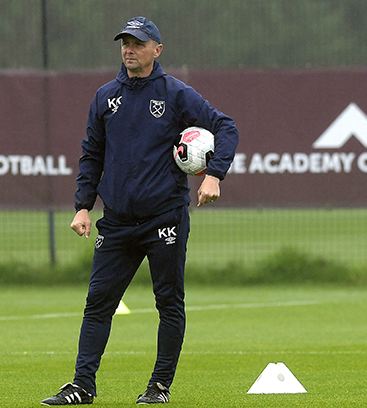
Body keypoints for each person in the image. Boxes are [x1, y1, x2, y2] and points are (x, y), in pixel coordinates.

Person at [41, 16, 239, 405]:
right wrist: (83, 207)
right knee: (98, 303)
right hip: (115, 222)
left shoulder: (176, 94)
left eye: (137, 43)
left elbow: (225, 127)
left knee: (168, 302)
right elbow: (92, 154)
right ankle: (82, 386)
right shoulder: (105, 97)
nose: (129, 49)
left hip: (163, 218)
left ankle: (158, 387)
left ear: (157, 50)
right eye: (124, 43)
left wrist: (213, 175)